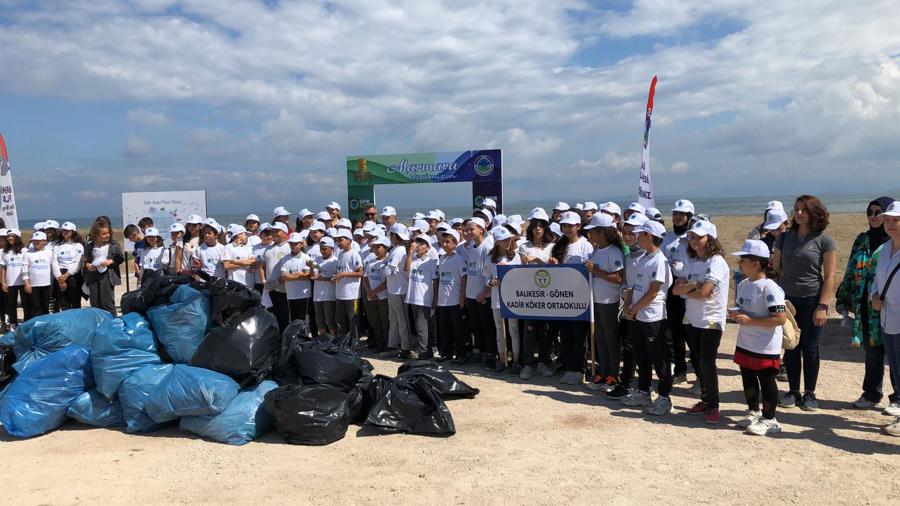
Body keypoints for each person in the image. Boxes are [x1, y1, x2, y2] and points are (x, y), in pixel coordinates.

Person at [836, 197, 900, 413]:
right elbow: (850, 269)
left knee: (894, 354)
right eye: (870, 212)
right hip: (867, 304)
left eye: (877, 213)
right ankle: (872, 393)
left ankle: (897, 398)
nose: (873, 217)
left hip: (890, 307)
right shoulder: (862, 239)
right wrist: (844, 297)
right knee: (872, 352)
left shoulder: (890, 245)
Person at [773, 195, 836, 411]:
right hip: (788, 299)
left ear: (813, 212)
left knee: (810, 347)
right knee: (791, 344)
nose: (799, 213)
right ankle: (792, 391)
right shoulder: (783, 238)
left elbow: (829, 278)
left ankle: (810, 393)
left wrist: (823, 306)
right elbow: (776, 269)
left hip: (812, 299)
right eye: (797, 209)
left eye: (804, 210)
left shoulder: (824, 240)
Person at [673, 220, 730, 424]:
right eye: (692, 237)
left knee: (707, 363)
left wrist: (691, 288)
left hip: (711, 320)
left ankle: (713, 405)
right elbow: (675, 290)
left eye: (699, 237)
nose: (694, 241)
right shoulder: (692, 261)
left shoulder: (716, 262)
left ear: (710, 239)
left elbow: (705, 293)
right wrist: (694, 286)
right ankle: (705, 401)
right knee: (698, 361)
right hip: (692, 318)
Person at [729, 239, 786, 436]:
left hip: (765, 344)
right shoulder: (744, 283)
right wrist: (735, 314)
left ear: (755, 263)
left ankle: (770, 419)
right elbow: (743, 309)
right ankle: (753, 411)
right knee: (747, 376)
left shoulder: (769, 287)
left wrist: (750, 320)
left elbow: (779, 318)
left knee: (766, 380)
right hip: (746, 341)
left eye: (743, 260)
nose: (739, 263)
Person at [622, 220, 673, 416]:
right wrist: (628, 305)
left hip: (653, 317)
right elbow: (636, 286)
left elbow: (653, 292)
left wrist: (634, 308)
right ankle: (643, 392)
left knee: (659, 358)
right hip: (638, 315)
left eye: (640, 234)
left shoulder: (659, 261)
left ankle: (664, 397)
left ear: (649, 236)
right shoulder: (644, 258)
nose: (637, 237)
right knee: (642, 356)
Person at [550, 211, 594, 384]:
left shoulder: (586, 246)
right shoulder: (560, 246)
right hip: (563, 297)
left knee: (579, 335)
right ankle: (569, 367)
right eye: (564, 226)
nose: (567, 229)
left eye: (570, 225)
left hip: (580, 297)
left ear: (578, 226)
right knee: (566, 334)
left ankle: (579, 368)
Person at [607, 212, 647, 400]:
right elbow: (626, 281)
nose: (628, 236)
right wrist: (625, 294)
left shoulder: (649, 256)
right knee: (629, 346)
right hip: (629, 308)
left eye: (633, 232)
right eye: (625, 232)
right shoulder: (629, 255)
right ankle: (628, 383)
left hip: (644, 310)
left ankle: (643, 388)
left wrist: (633, 301)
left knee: (644, 349)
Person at [583, 213, 625, 392]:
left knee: (610, 338)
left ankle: (613, 375)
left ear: (601, 232)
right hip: (595, 300)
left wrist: (597, 270)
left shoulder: (614, 252)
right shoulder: (597, 250)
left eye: (592, 231)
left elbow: (618, 278)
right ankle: (603, 372)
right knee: (599, 338)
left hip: (609, 301)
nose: (589, 235)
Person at [871, 200, 900, 436]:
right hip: (887, 318)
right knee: (896, 368)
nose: (890, 224)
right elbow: (877, 280)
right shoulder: (885, 250)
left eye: (896, 220)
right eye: (888, 220)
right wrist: (874, 296)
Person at [518, 208, 556, 379]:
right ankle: (527, 364)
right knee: (529, 329)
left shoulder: (553, 247)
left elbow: (555, 267)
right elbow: (522, 265)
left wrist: (540, 260)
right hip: (529, 295)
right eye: (534, 226)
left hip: (549, 294)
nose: (537, 229)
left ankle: (543, 362)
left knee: (546, 330)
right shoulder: (524, 246)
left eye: (541, 226)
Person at [483, 226, 522, 374]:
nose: (507, 243)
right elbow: (486, 278)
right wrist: (492, 282)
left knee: (513, 329)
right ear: (497, 242)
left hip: (512, 298)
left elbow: (519, 276)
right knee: (499, 329)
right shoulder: (490, 258)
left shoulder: (515, 256)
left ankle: (516, 360)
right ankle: (502, 359)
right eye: (504, 240)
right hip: (496, 299)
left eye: (509, 240)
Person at [664, 199, 694, 385]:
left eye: (682, 214)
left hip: (687, 286)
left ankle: (698, 373)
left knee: (689, 331)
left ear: (689, 217)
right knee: (674, 331)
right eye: (675, 213)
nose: (678, 217)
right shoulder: (666, 237)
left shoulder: (692, 238)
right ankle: (680, 370)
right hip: (669, 286)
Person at [465, 217, 497, 367]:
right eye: (467, 229)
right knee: (475, 326)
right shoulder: (472, 247)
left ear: (481, 229)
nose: (469, 232)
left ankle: (491, 354)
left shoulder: (487, 247)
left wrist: (485, 292)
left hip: (483, 294)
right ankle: (479, 351)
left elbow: (489, 273)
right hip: (471, 294)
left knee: (487, 326)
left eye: (472, 229)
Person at [405, 233, 439, 359]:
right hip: (412, 297)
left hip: (424, 298)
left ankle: (424, 352)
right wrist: (410, 252)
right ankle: (426, 351)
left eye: (421, 243)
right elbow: (406, 268)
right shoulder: (413, 260)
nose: (418, 246)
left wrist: (435, 299)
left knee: (421, 327)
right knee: (418, 326)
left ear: (428, 247)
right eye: (417, 243)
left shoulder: (430, 262)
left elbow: (435, 281)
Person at [436, 229, 467, 362]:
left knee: (458, 330)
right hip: (442, 301)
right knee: (445, 329)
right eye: (442, 242)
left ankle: (461, 355)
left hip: (454, 300)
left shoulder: (459, 259)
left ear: (454, 243)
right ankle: (446, 353)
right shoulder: (441, 259)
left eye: (447, 242)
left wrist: (461, 298)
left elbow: (464, 278)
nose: (444, 244)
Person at [381, 224, 411, 358]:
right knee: (393, 319)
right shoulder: (396, 249)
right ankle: (392, 345)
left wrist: (384, 266)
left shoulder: (399, 250)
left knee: (402, 321)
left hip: (400, 290)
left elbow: (388, 271)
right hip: (393, 290)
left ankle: (406, 348)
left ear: (393, 236)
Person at [84, 219, 125, 316]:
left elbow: (120, 258)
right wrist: (88, 265)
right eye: (104, 234)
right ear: (96, 235)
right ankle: (98, 323)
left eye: (108, 233)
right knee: (95, 302)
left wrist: (110, 261)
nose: (107, 235)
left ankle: (113, 324)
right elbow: (86, 260)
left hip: (107, 275)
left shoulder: (113, 244)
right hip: (93, 276)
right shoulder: (90, 246)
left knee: (107, 303)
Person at [261, 222, 291, 332]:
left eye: (277, 231)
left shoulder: (288, 247)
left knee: (285, 316)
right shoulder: (268, 249)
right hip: (270, 288)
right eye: (272, 231)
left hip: (285, 289)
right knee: (274, 315)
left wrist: (280, 281)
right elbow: (262, 265)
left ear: (284, 233)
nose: (274, 234)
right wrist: (264, 280)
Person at [362, 235, 391, 352]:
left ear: (385, 248)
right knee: (375, 320)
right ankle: (379, 342)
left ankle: (389, 343)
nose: (376, 250)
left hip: (383, 296)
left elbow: (387, 281)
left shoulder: (388, 261)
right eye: (374, 247)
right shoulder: (370, 262)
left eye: (379, 247)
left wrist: (375, 291)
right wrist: (369, 291)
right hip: (371, 297)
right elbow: (365, 277)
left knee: (385, 321)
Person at [333, 228, 362, 338]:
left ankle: (354, 343)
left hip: (352, 295)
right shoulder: (340, 255)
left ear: (349, 240)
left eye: (341, 240)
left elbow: (360, 272)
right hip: (340, 293)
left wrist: (344, 274)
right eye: (337, 240)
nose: (339, 243)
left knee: (353, 321)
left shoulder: (354, 254)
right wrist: (337, 276)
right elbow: (341, 271)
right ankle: (342, 344)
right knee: (340, 321)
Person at [280, 232, 313, 324]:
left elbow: (306, 276)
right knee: (293, 320)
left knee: (303, 320)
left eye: (296, 244)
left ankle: (303, 337)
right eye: (291, 244)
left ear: (301, 244)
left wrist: (291, 276)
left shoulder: (306, 257)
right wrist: (299, 274)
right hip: (290, 294)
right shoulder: (285, 258)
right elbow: (284, 276)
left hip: (304, 294)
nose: (293, 246)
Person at [52, 222, 85, 311]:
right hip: (59, 275)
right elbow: (54, 262)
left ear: (73, 232)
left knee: (75, 302)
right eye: (63, 230)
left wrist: (66, 275)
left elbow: (77, 263)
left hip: (73, 276)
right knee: (63, 302)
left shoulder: (78, 245)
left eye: (67, 231)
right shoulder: (57, 245)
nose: (65, 232)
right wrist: (59, 277)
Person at [23, 231, 54, 320]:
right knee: (35, 306)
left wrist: (59, 278)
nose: (35, 242)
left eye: (38, 240)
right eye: (34, 240)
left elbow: (54, 267)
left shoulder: (49, 252)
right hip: (33, 285)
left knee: (45, 305)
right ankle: (36, 325)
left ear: (44, 241)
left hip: (46, 284)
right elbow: (24, 269)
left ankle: (45, 324)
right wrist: (26, 283)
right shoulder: (28, 253)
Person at [311, 237, 338, 336]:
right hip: (317, 295)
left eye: (325, 249)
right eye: (321, 248)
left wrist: (324, 279)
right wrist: (310, 267)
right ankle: (322, 340)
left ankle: (333, 340)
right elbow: (313, 275)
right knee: (319, 319)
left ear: (332, 249)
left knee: (330, 320)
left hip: (329, 296)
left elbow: (336, 278)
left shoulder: (335, 261)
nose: (322, 251)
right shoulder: (317, 260)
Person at [1, 229, 27, 328]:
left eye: (12, 236)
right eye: (8, 236)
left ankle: (26, 324)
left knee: (26, 304)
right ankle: (13, 325)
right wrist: (3, 282)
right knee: (11, 305)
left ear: (17, 237)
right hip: (10, 283)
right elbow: (3, 268)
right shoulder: (4, 252)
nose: (10, 238)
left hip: (23, 282)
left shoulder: (24, 251)